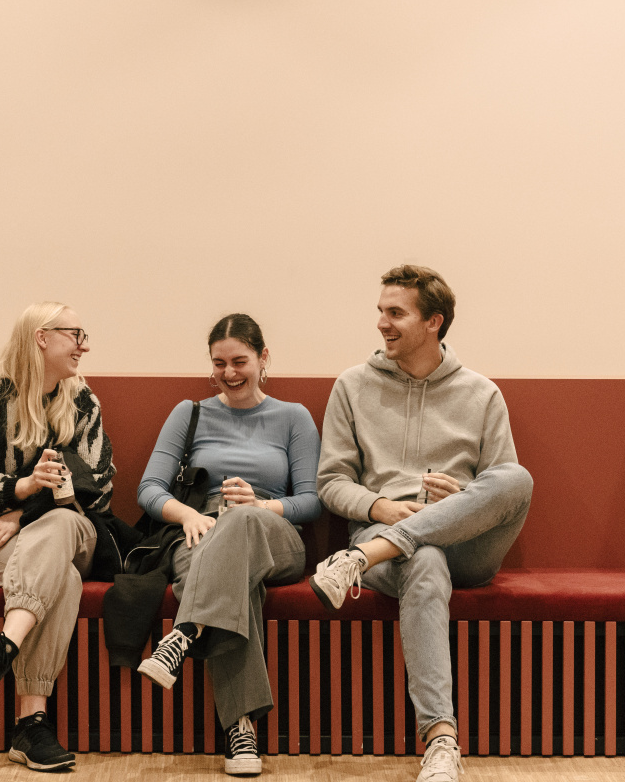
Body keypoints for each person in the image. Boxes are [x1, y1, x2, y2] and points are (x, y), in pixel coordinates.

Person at [309, 265, 533, 782]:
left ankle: (359, 559)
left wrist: (461, 499)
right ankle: (441, 741)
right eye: (380, 312)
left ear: (433, 322)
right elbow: (331, 482)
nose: (382, 323)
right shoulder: (352, 386)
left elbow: (499, 491)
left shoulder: (482, 394)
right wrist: (382, 509)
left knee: (517, 477)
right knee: (424, 559)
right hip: (386, 536)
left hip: (465, 546)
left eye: (396, 313)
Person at [136, 313, 321, 776]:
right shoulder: (190, 413)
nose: (229, 373)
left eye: (240, 361)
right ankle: (241, 731)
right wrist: (189, 515)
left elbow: (312, 500)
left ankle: (185, 632)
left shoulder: (293, 417)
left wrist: (260, 506)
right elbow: (150, 488)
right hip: (201, 530)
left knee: (241, 522)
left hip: (274, 533)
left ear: (263, 358)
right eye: (219, 363)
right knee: (240, 584)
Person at [0, 302, 115, 772]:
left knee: (58, 528)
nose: (84, 346)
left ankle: (2, 648)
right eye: (75, 335)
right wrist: (24, 486)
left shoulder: (82, 402)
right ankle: (31, 725)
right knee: (61, 577)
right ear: (42, 337)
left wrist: (22, 515)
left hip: (71, 528)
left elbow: (97, 488)